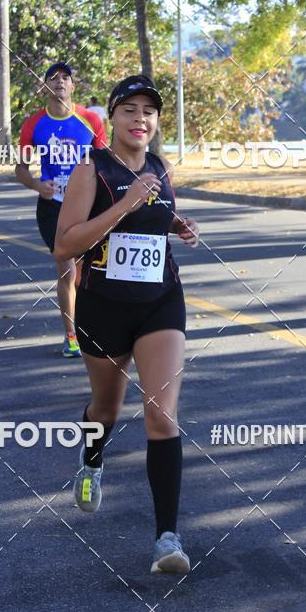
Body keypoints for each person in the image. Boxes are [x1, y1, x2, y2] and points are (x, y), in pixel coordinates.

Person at [54, 74, 200, 574]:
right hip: (103, 308)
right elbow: (65, 245)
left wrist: (178, 225)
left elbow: (157, 217)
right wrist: (124, 205)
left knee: (161, 414)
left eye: (149, 112)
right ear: (112, 117)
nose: (141, 119)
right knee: (107, 406)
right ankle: (92, 458)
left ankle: (167, 539)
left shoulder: (160, 167)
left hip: (160, 300)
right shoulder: (91, 170)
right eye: (130, 110)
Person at [16, 62, 107, 357]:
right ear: (45, 86)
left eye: (66, 78)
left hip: (87, 205)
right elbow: (20, 168)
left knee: (85, 272)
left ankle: (90, 326)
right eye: (53, 78)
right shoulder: (34, 124)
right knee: (67, 269)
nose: (60, 82)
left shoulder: (90, 120)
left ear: (73, 86)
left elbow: (106, 163)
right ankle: (72, 337)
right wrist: (36, 184)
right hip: (52, 207)